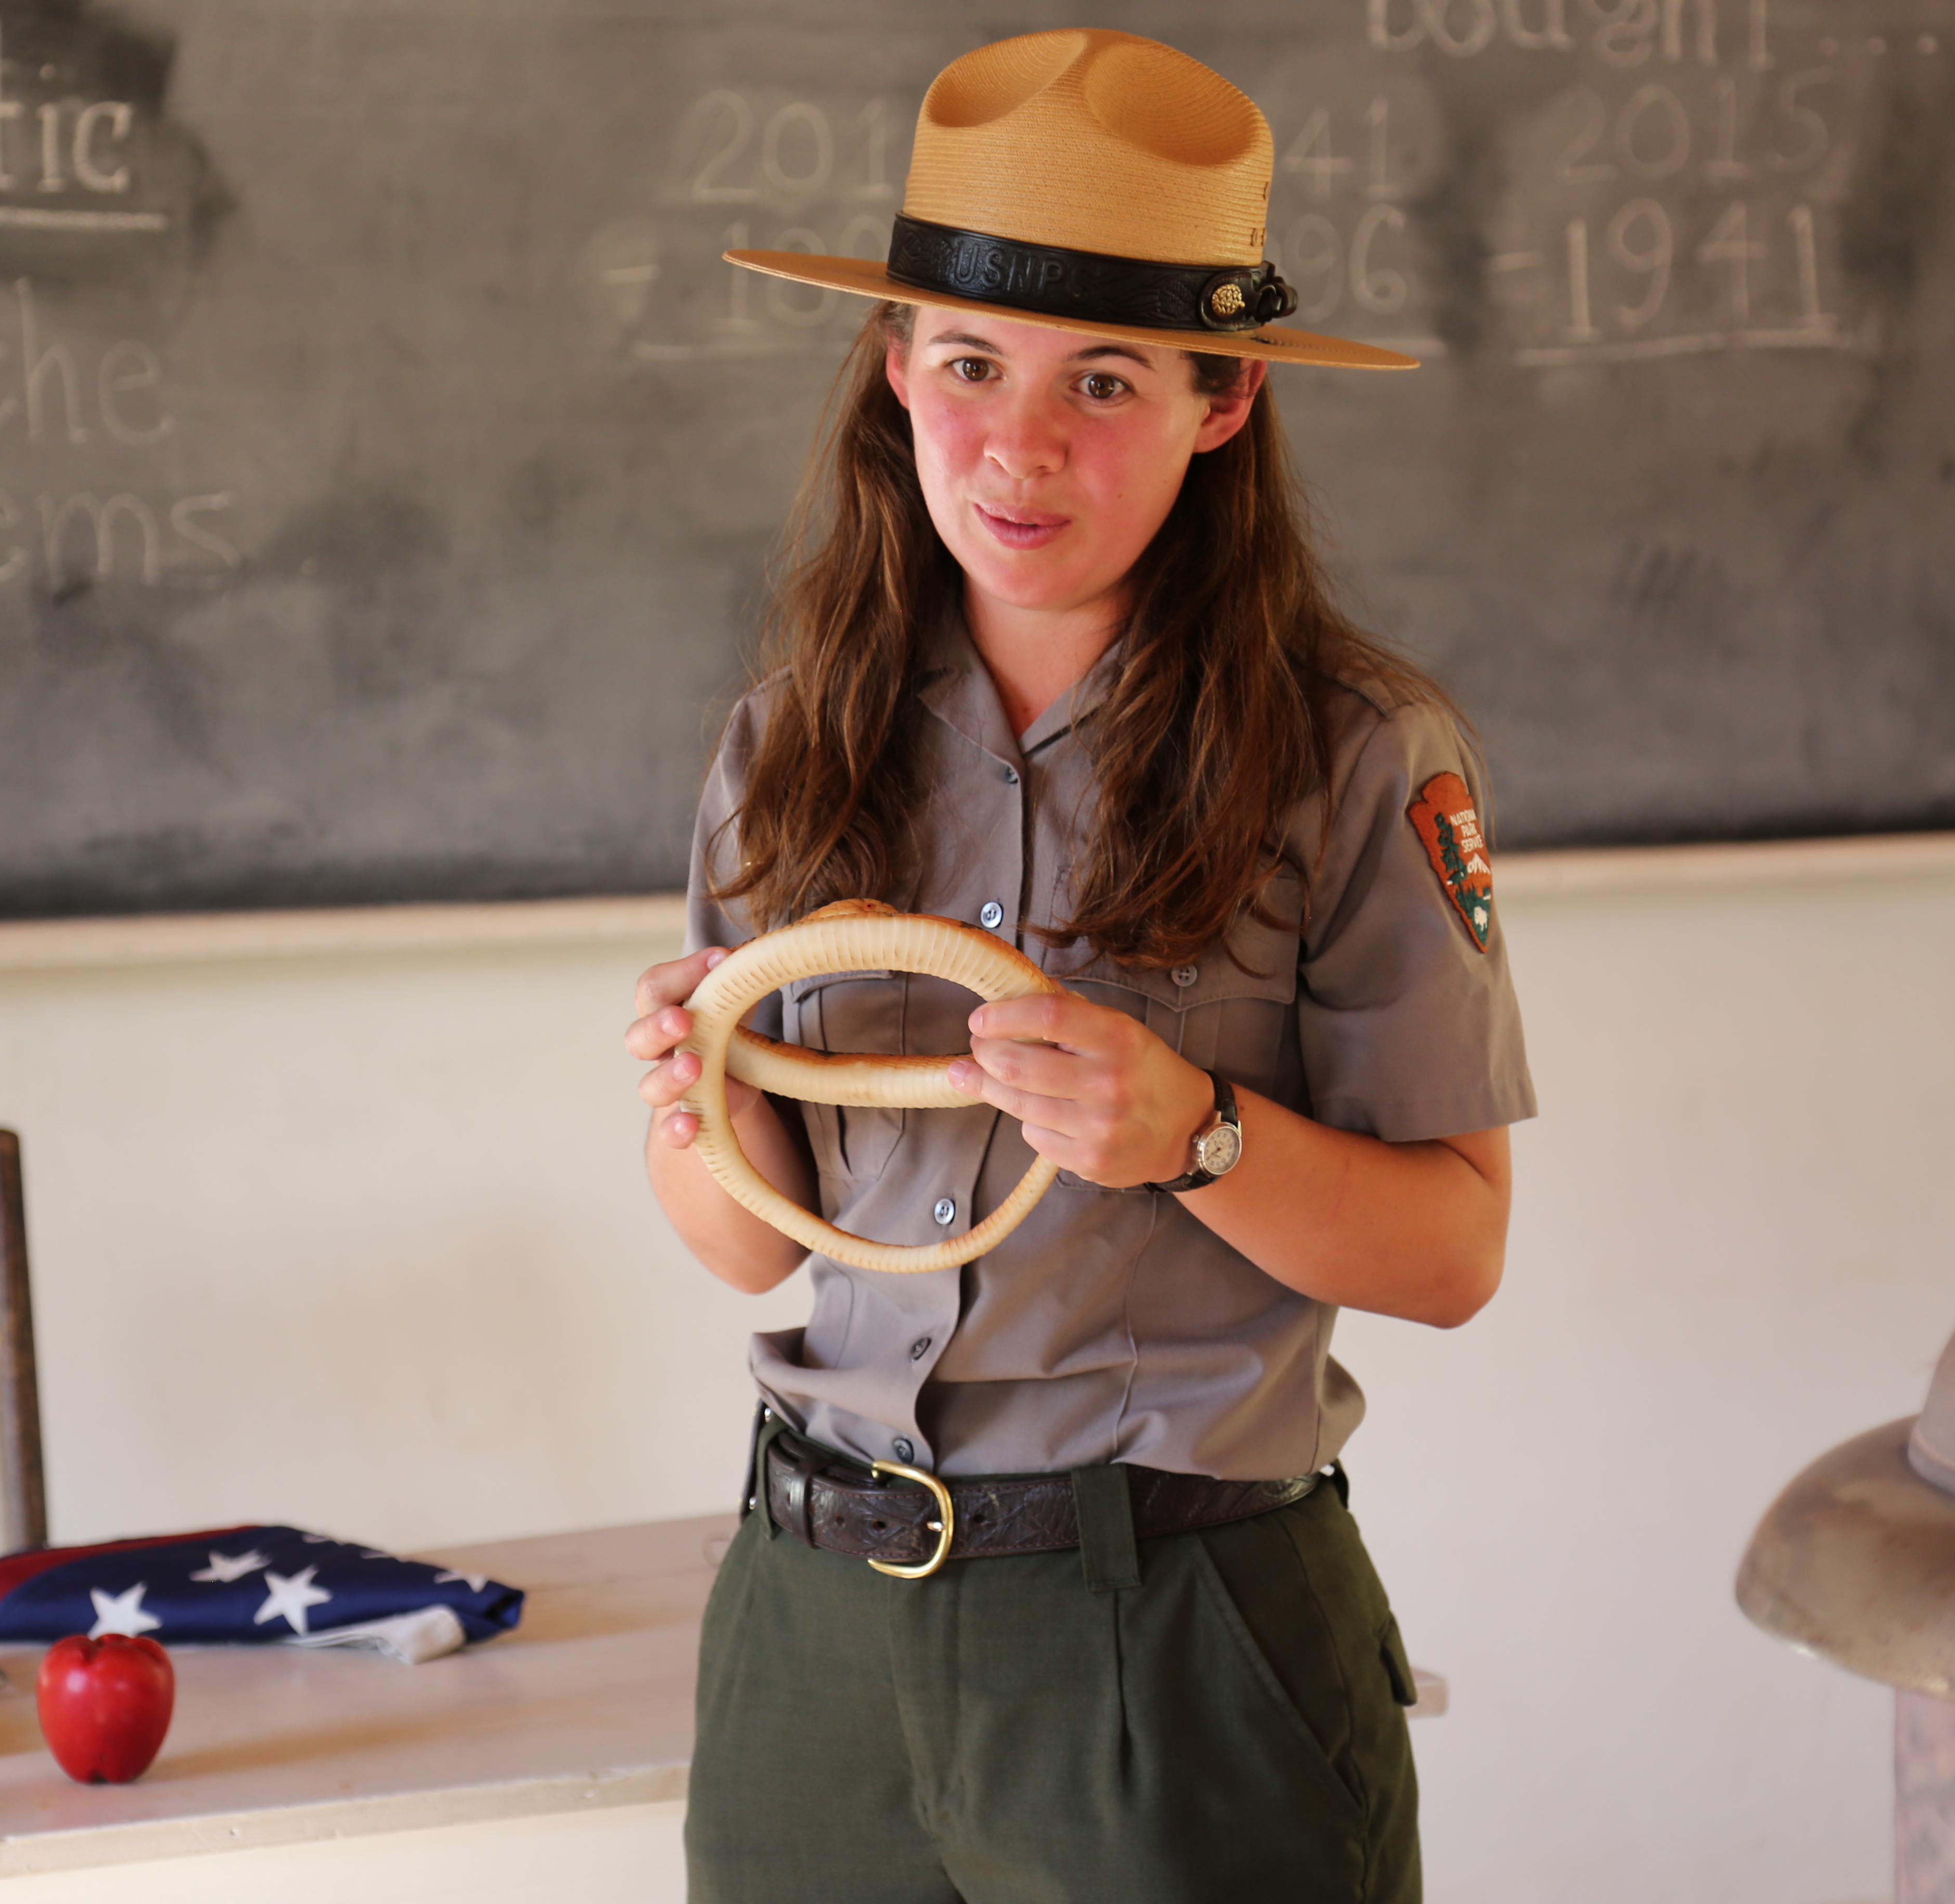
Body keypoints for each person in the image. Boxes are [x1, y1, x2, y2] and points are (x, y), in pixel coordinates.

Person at [623, 29, 1533, 1903]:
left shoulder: (1358, 751)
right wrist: (678, 1110)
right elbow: (751, 1244)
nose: (1018, 446)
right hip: (812, 1628)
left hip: (1172, 1632)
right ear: (895, 373)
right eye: (967, 366)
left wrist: (1192, 1133)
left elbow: (1453, 1257)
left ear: (1224, 402)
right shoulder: (792, 740)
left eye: (1103, 381)